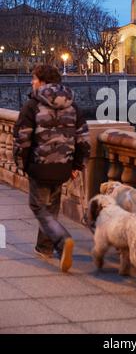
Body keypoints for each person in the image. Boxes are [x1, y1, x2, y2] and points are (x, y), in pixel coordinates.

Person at [13, 65, 90, 272]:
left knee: (39, 207)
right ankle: (44, 247)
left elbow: (22, 139)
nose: (31, 82)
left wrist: (21, 163)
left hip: (40, 165)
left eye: (34, 78)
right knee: (52, 206)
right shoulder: (73, 106)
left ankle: (62, 239)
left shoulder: (33, 105)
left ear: (43, 82)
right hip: (64, 166)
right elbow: (83, 139)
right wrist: (76, 165)